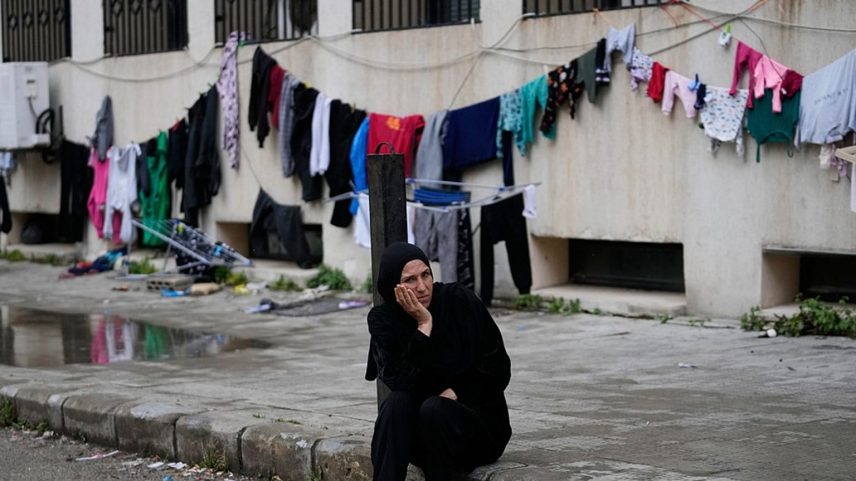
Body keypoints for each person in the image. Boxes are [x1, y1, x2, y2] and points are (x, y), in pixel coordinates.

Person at [364, 242, 512, 481]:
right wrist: (424, 326)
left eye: (426, 275)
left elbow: (498, 368)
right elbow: (399, 379)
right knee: (395, 404)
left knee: (434, 408)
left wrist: (457, 392)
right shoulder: (384, 320)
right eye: (410, 280)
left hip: (476, 431)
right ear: (394, 285)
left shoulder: (459, 301)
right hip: (424, 438)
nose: (422, 287)